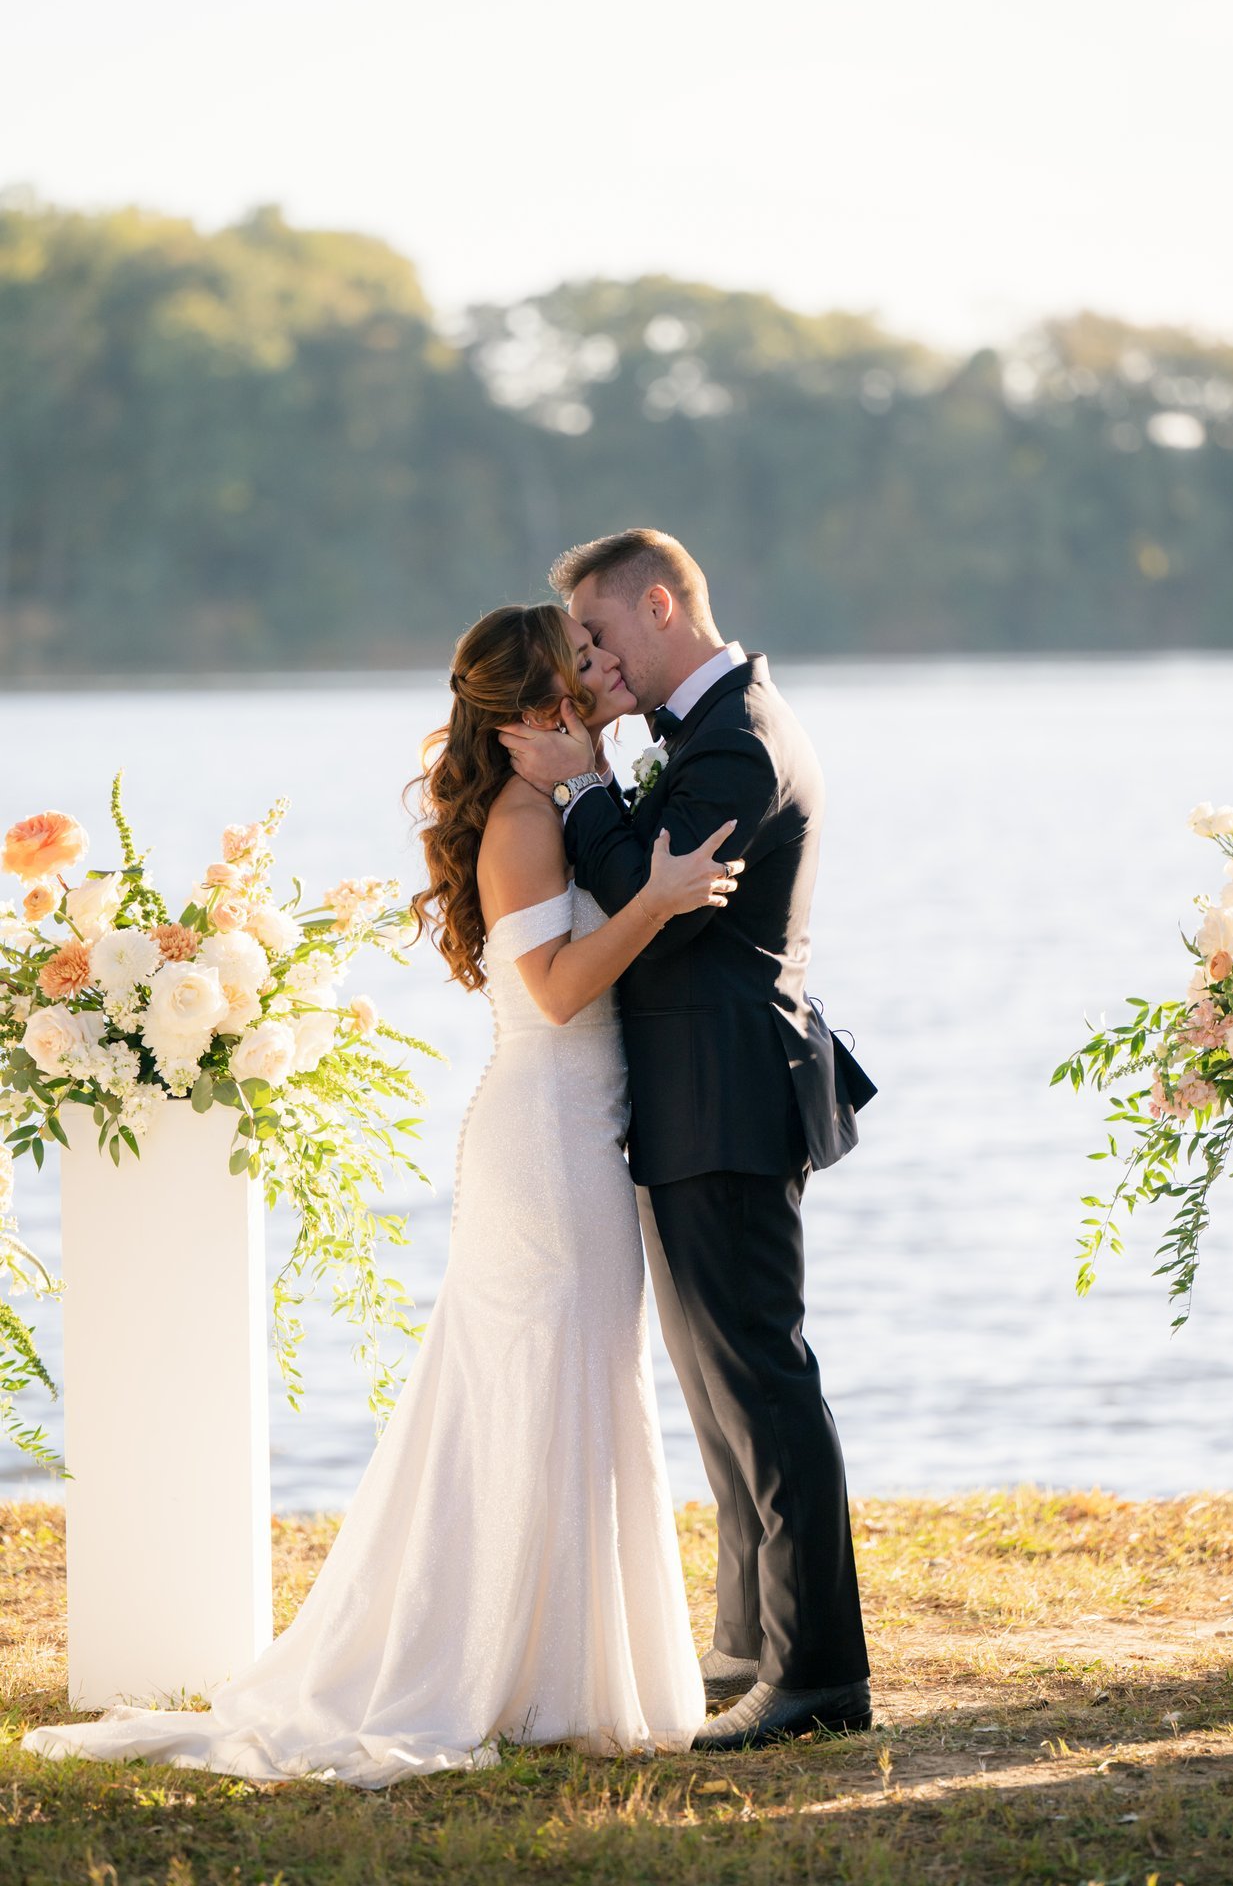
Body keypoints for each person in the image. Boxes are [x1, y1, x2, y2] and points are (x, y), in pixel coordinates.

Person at [23, 602, 739, 1786]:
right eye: (585, 665)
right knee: (546, 1383)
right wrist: (658, 901)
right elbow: (557, 992)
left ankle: (561, 1663)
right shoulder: (521, 821)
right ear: (539, 705)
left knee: (577, 1382)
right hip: (547, 1139)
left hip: (573, 1127)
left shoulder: (555, 802)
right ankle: (513, 1668)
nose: (606, 672)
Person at [497, 529, 878, 1751]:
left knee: (763, 1379)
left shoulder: (741, 739)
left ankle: (819, 1671)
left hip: (727, 1090)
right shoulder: (701, 732)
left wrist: (574, 785)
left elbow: (637, 898)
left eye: (601, 633)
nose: (593, 660)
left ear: (661, 603)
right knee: (720, 1389)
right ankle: (751, 1641)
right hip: (687, 1095)